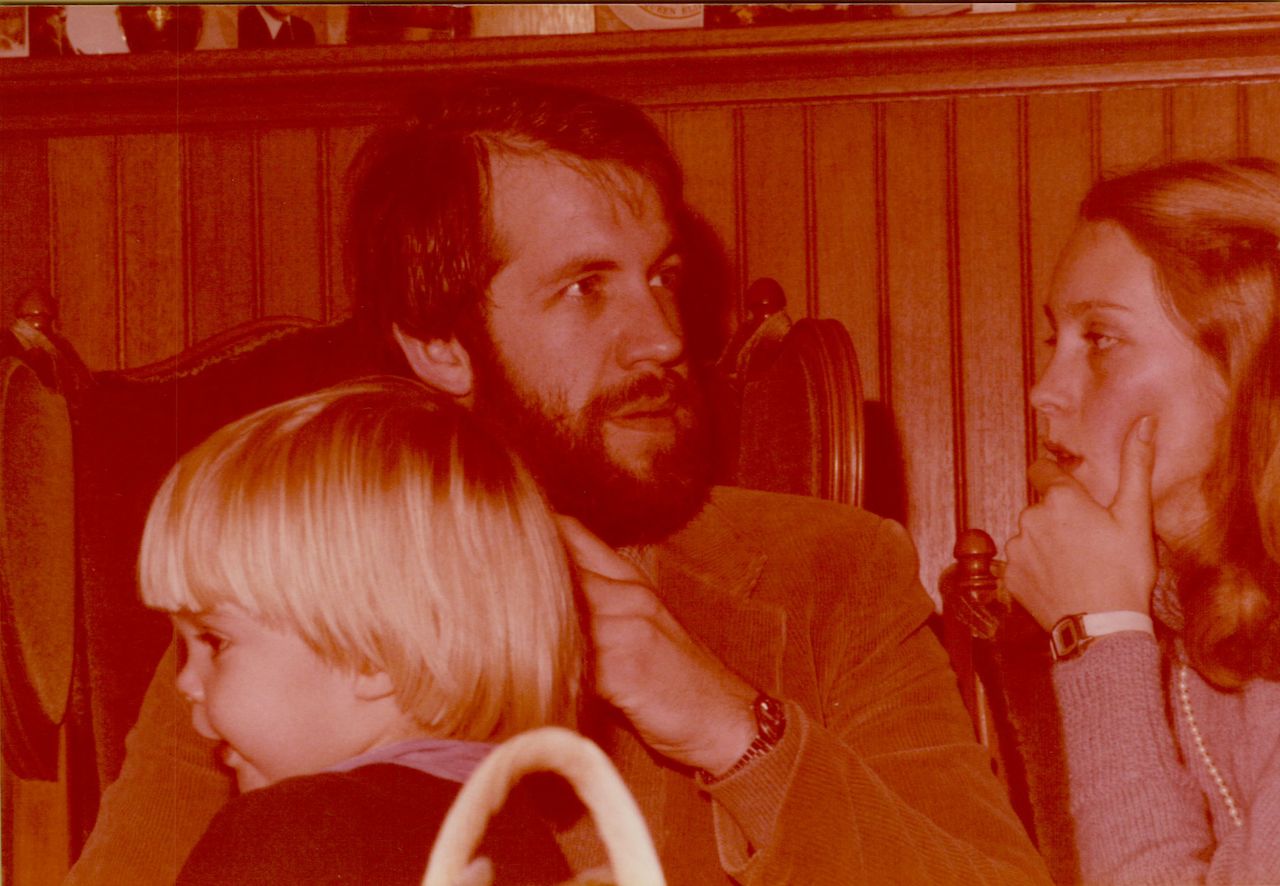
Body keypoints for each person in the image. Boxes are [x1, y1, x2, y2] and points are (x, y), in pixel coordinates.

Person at [68, 77, 1048, 885]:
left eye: (659, 277)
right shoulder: (288, 613)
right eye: (584, 289)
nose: (662, 338)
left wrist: (730, 726)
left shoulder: (830, 575)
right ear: (440, 344)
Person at [136, 377, 576, 884]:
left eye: (215, 640)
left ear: (373, 655)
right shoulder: (521, 840)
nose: (186, 682)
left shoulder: (288, 830)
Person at [1003, 158, 1280, 883]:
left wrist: (1097, 635)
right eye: (1054, 339)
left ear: (1247, 361)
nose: (1044, 392)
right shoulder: (1183, 603)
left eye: (1101, 340)